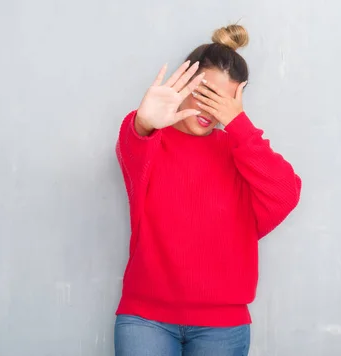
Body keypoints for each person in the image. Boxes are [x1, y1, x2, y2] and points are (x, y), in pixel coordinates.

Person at [114, 24, 302, 356]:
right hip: (146, 319)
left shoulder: (239, 151)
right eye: (204, 94)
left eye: (222, 102)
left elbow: (286, 193)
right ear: (184, 84)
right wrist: (143, 123)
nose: (209, 110)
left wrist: (239, 124)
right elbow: (131, 145)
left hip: (223, 327)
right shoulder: (151, 142)